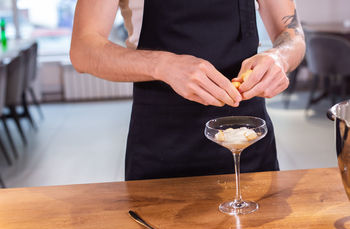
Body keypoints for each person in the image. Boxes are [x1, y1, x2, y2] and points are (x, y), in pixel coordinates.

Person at [70, 0, 305, 180]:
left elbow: (292, 35)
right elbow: (84, 48)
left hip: (248, 140)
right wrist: (162, 65)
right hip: (162, 144)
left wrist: (279, 58)